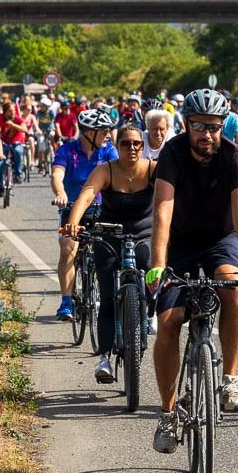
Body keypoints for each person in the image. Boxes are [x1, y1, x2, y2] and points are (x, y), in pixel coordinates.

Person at [146, 89, 238, 453]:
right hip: (177, 243)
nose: (206, 135)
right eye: (199, 126)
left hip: (219, 240)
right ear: (186, 125)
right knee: (168, 322)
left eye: (214, 127)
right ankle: (167, 414)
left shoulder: (233, 154)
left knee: (232, 287)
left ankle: (228, 379)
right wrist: (158, 266)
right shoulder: (173, 152)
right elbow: (162, 211)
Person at [63, 125, 155, 382]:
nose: (132, 148)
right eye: (126, 144)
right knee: (107, 298)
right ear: (117, 146)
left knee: (153, 267)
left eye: (137, 144)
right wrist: (73, 221)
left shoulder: (152, 169)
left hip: (143, 233)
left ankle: (149, 311)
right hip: (110, 233)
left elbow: (173, 196)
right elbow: (87, 195)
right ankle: (104, 357)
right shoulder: (106, 169)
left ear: (142, 146)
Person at [50, 110, 118, 321]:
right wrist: (60, 193)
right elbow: (57, 174)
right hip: (73, 210)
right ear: (89, 132)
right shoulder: (67, 150)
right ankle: (66, 303)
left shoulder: (108, 151)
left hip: (101, 209)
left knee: (111, 251)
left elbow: (120, 173)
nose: (108, 135)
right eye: (104, 131)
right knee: (68, 248)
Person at [0, 101, 27, 197]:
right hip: (4, 143)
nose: (12, 113)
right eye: (10, 111)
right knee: (0, 165)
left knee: (18, 151)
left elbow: (25, 129)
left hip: (16, 143)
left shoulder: (18, 119)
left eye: (13, 111)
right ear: (5, 112)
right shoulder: (0, 117)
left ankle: (18, 174)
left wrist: (13, 125)